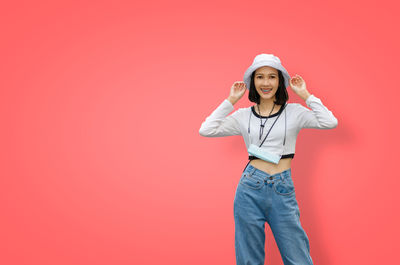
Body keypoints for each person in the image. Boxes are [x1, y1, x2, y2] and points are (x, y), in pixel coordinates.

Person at [199, 54, 338, 265]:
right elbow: (206, 130)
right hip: (249, 188)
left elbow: (329, 122)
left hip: (282, 187)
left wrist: (305, 94)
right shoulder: (243, 116)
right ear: (252, 82)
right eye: (260, 77)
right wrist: (231, 100)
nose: (266, 83)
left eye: (272, 77)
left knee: (298, 257)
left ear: (280, 81)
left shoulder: (294, 112)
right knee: (248, 258)